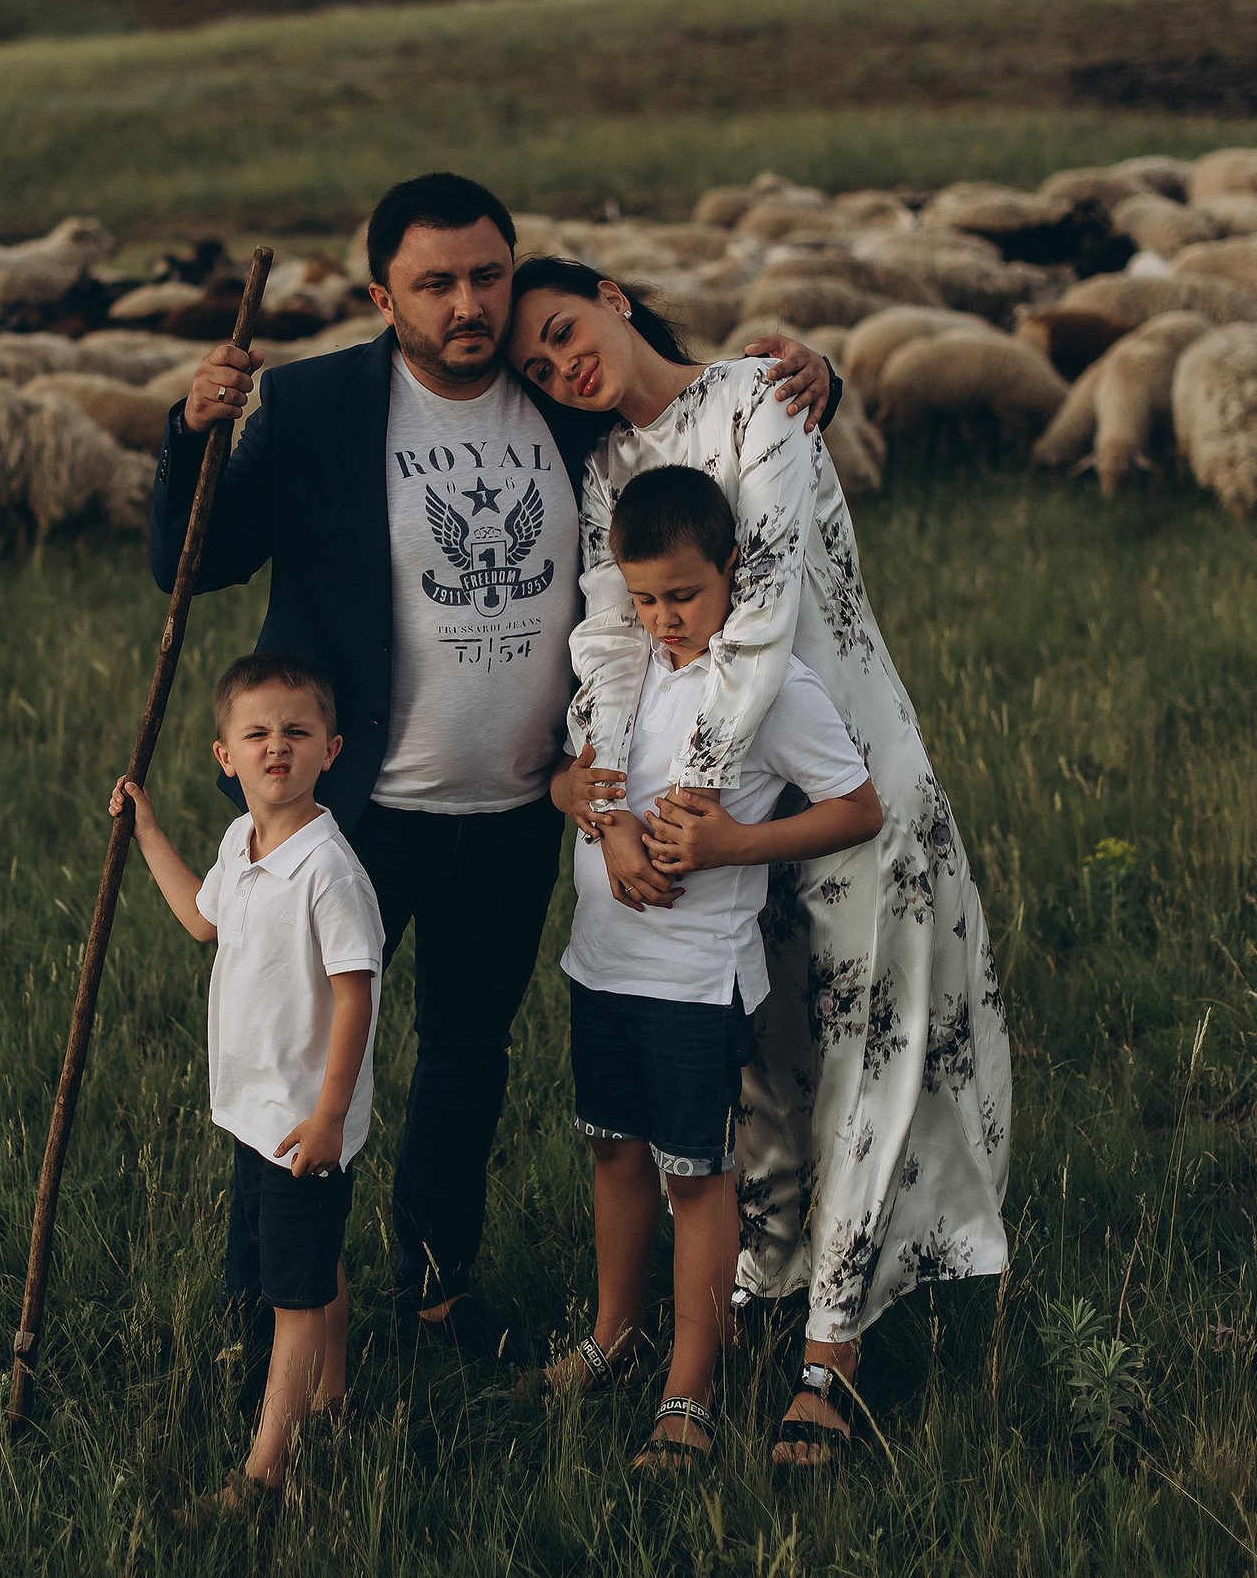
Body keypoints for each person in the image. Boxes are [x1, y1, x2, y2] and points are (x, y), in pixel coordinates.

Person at [149, 173, 839, 1350]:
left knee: (465, 1054)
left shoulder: (561, 398)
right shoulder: (316, 404)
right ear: (384, 296)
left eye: (487, 275)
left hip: (515, 803)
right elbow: (191, 560)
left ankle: (435, 1284)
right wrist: (190, 430)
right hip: (350, 806)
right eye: (435, 284)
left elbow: (696, 422)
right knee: (295, 1056)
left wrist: (819, 379)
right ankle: (267, 1304)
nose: (468, 303)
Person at [507, 256, 1012, 1470]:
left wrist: (694, 796)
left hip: (840, 779)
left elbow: (763, 607)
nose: (562, 365)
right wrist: (612, 805)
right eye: (537, 365)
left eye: (564, 329)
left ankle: (831, 1351)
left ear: (614, 296)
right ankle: (747, 1289)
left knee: (867, 1050)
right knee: (760, 1056)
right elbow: (610, 639)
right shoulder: (605, 468)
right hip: (704, 827)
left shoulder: (759, 399)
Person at [539, 464, 884, 1469]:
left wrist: (735, 843)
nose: (665, 619)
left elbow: (858, 807)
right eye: (645, 598)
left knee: (695, 1175)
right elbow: (572, 778)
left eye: (684, 595)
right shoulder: (622, 666)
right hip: (601, 962)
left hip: (693, 980)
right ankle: (614, 1333)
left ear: (732, 569)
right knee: (614, 1151)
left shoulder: (762, 686)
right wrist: (576, 799)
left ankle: (690, 1384)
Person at [113, 651, 384, 1509]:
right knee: (311, 1257)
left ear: (330, 750)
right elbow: (203, 920)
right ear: (224, 755)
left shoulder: (329, 870)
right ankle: (332, 1394)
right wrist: (147, 832)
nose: (277, 746)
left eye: (297, 732)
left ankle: (268, 1467)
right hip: (256, 1110)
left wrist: (330, 1114)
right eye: (257, 732)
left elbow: (355, 995)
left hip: (303, 1116)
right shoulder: (242, 842)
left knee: (291, 1293)